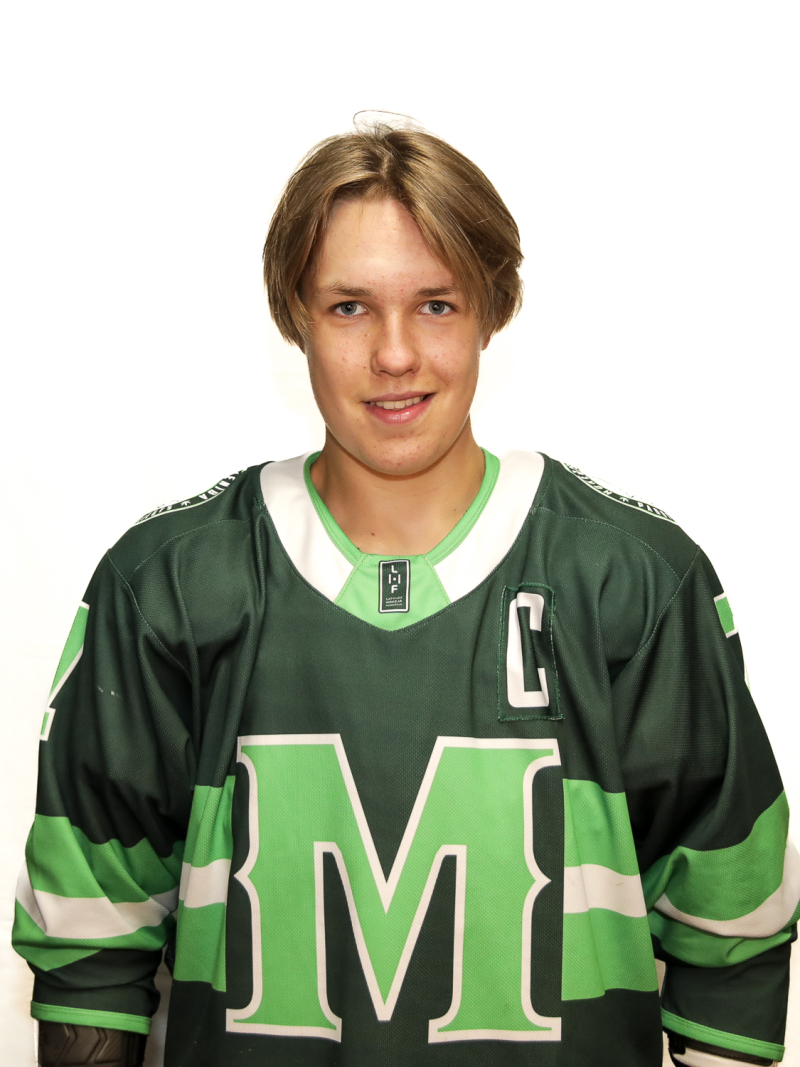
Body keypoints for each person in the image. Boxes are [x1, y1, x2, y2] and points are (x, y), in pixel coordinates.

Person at [13, 121, 798, 1067]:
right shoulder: (170, 585)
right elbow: (92, 944)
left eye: (435, 303)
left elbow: (733, 928)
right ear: (295, 314)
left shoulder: (633, 579)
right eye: (349, 306)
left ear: (491, 310)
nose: (394, 354)